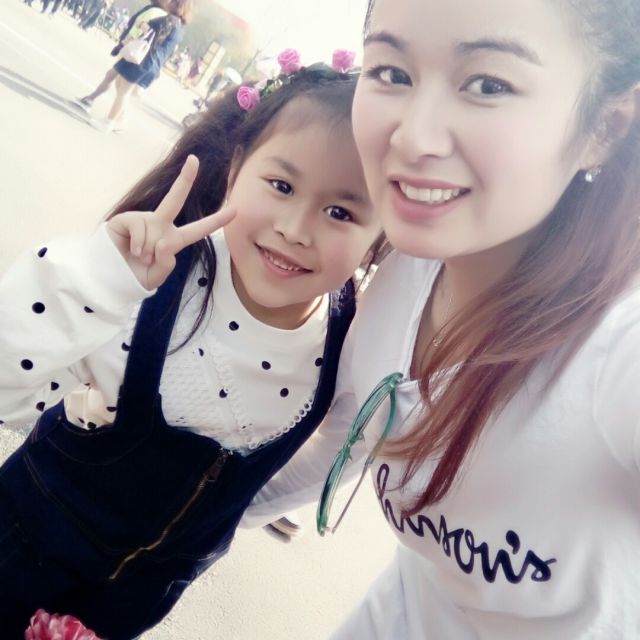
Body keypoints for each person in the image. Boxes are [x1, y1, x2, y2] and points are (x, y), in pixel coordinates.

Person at [243, 0, 640, 638]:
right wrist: (170, 527)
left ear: (606, 125)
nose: (411, 137)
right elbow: (345, 442)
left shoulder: (617, 350)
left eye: (488, 84)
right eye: (392, 72)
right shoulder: (410, 269)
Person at [0, 61, 382, 638]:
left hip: (119, 613)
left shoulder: (350, 334)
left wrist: (220, 518)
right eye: (281, 186)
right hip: (16, 554)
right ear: (235, 169)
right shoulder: (153, 286)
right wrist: (96, 281)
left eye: (341, 212)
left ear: (381, 236)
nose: (296, 228)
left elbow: (343, 445)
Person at [93, 0, 191, 132]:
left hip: (144, 60)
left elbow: (154, 35)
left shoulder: (169, 20)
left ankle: (109, 122)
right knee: (120, 84)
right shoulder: (179, 28)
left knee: (123, 92)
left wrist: (143, 25)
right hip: (153, 64)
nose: (168, 2)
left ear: (177, 5)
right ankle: (119, 120)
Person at [75, 1, 166, 113]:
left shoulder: (154, 11)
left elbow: (138, 31)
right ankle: (95, 102)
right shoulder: (160, 13)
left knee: (116, 82)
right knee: (118, 84)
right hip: (138, 53)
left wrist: (124, 44)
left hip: (133, 49)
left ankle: (93, 101)